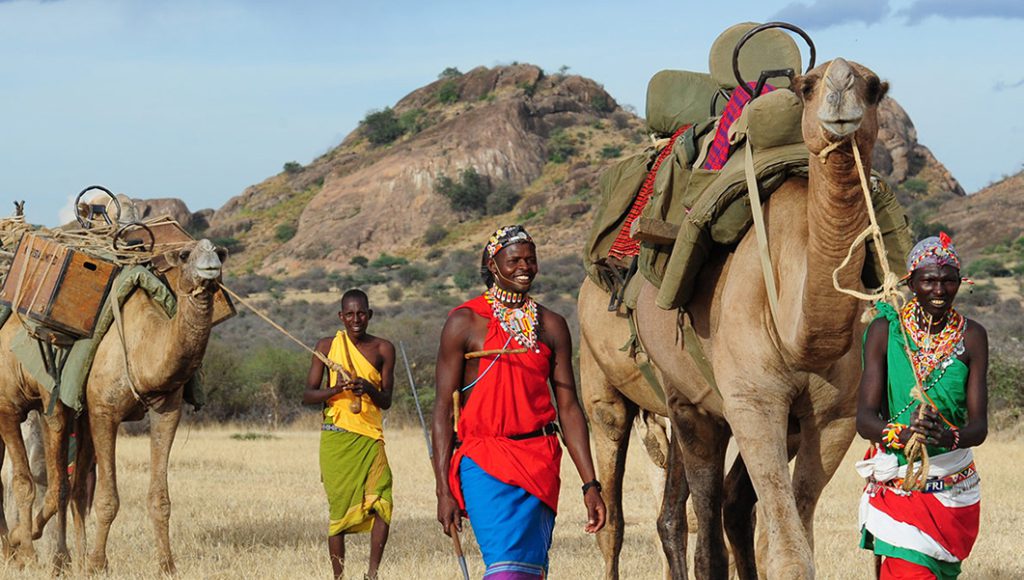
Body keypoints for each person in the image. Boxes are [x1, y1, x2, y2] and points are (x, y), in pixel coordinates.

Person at [432, 224, 607, 579]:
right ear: (492, 265)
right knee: (505, 570)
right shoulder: (464, 322)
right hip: (485, 461)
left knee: (530, 572)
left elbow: (569, 408)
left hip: (540, 463)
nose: (524, 267)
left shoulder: (552, 325)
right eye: (514, 260)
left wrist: (591, 484)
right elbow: (440, 410)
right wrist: (442, 490)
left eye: (530, 259)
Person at [855, 233, 988, 580]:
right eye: (929, 280)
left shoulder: (973, 336)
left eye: (948, 281)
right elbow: (865, 419)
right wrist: (901, 435)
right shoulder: (886, 331)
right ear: (911, 282)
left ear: (961, 282)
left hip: (954, 495)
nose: (939, 291)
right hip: (902, 488)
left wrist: (946, 436)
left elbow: (979, 427)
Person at [303, 289, 396, 580]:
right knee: (339, 510)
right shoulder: (327, 346)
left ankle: (372, 574)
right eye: (350, 314)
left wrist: (367, 388)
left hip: (369, 435)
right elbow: (307, 395)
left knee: (383, 498)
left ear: (370, 315)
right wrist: (337, 389)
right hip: (337, 437)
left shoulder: (384, 349)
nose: (356, 320)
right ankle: (339, 576)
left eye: (361, 314)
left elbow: (387, 400)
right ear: (341, 316)